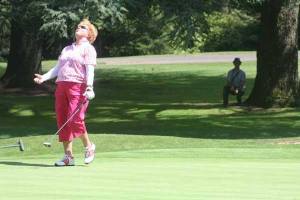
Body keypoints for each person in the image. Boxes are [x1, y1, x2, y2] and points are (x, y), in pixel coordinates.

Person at [34, 19, 98, 166]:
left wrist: (89, 87)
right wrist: (44, 77)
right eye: (78, 26)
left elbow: (90, 69)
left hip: (79, 87)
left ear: (89, 34)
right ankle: (68, 156)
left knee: (75, 119)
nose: (78, 28)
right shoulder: (67, 49)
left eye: (83, 27)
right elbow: (58, 68)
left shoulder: (88, 49)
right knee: (62, 119)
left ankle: (89, 147)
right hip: (62, 86)